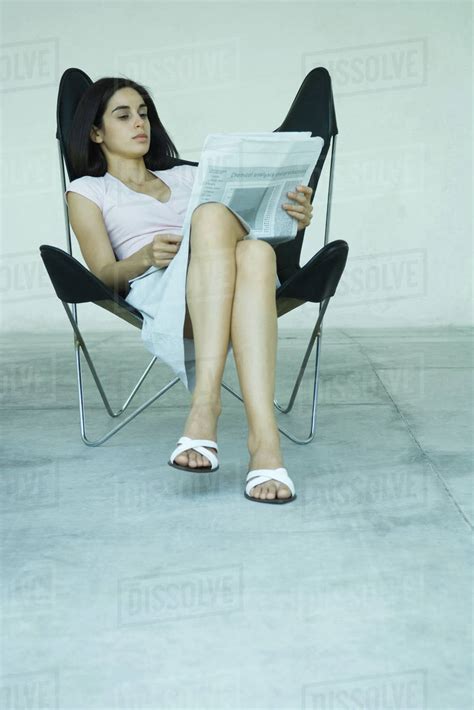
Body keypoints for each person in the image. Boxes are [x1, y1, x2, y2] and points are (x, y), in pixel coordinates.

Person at [64, 77, 314, 504]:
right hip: (164, 294)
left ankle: (236, 425)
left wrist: (293, 216)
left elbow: (247, 231)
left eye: (143, 112)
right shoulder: (88, 191)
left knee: (253, 251)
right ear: (96, 132)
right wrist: (145, 257)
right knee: (218, 222)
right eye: (123, 116)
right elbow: (103, 274)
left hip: (235, 285)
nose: (139, 123)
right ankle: (252, 437)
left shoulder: (185, 175)